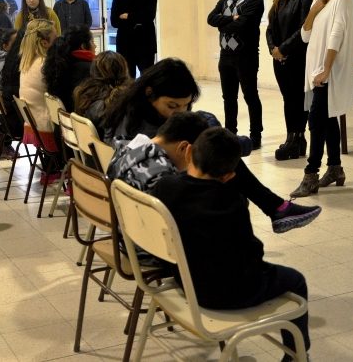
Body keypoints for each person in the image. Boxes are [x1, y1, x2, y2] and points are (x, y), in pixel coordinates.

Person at [105, 58, 321, 233]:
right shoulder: (142, 129)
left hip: (136, 220)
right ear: (149, 93)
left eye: (184, 105)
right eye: (172, 106)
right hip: (156, 228)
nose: (178, 112)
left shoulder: (133, 111)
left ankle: (274, 207)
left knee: (212, 138)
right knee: (221, 159)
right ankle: (274, 206)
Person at [149, 127, 310, 362]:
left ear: (189, 152)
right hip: (229, 295)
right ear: (229, 175)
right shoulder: (231, 201)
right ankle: (298, 355)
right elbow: (252, 252)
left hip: (185, 283)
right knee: (296, 280)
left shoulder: (165, 187)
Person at [110, 112, 321, 233]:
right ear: (185, 148)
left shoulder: (124, 149)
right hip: (155, 251)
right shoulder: (162, 178)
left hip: (127, 239)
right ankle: (277, 208)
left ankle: (277, 208)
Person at [291, 0, 353, 198]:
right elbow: (306, 36)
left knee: (316, 123)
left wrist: (327, 68)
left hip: (329, 72)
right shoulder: (319, 0)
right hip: (317, 71)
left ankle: (311, 175)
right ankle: (336, 169)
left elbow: (336, 34)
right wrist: (313, 11)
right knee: (327, 120)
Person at [207, 0, 265, 149]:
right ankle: (230, 133)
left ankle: (255, 135)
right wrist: (231, 19)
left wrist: (222, 22)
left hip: (245, 56)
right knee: (229, 98)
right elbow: (210, 19)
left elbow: (244, 25)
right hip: (226, 56)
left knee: (250, 96)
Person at [267, 0, 313, 161]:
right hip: (279, 59)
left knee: (297, 99)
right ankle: (291, 138)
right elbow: (270, 29)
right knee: (288, 99)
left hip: (296, 58)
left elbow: (303, 28)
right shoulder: (279, 0)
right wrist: (273, 49)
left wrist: (284, 49)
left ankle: (298, 138)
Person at [18, 19, 62, 184]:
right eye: (55, 39)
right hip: (46, 126)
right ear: (45, 43)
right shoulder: (45, 64)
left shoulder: (27, 62)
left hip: (32, 123)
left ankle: (52, 168)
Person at [110, 0, 157, 78]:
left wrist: (128, 16)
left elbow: (149, 16)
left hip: (145, 43)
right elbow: (114, 21)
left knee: (147, 79)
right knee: (127, 79)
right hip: (125, 44)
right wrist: (138, 17)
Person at [73, 50, 131, 140]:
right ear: (123, 70)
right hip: (111, 151)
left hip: (91, 150)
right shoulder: (120, 102)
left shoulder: (83, 94)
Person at [42, 24, 96, 111]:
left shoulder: (62, 63)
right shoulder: (90, 69)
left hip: (67, 120)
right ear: (83, 46)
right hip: (80, 120)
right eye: (92, 42)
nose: (95, 46)